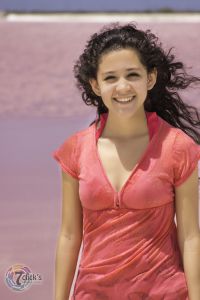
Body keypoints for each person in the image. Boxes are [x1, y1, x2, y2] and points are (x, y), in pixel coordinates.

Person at [53, 23, 200, 300]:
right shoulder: (75, 149)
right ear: (95, 85)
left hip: (165, 291)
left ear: (150, 78)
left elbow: (191, 237)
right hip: (93, 293)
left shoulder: (177, 147)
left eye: (133, 74)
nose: (123, 87)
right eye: (110, 78)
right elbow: (69, 235)